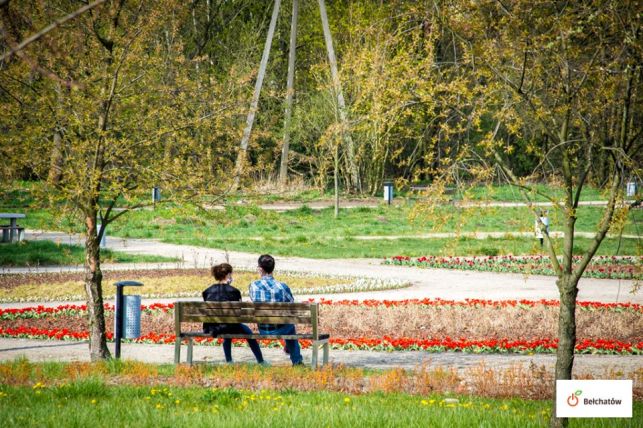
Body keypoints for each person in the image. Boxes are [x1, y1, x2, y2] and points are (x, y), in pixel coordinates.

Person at [202, 263, 264, 364]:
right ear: (227, 275)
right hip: (230, 325)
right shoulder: (235, 291)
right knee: (247, 332)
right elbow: (238, 313)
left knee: (227, 326)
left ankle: (229, 361)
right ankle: (260, 361)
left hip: (211, 327)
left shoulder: (207, 292)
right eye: (231, 274)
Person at [249, 254, 304, 365]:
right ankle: (297, 361)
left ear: (260, 269)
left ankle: (290, 349)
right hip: (280, 328)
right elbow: (291, 305)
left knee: (289, 326)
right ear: (273, 268)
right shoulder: (282, 287)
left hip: (263, 328)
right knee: (290, 327)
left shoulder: (253, 286)